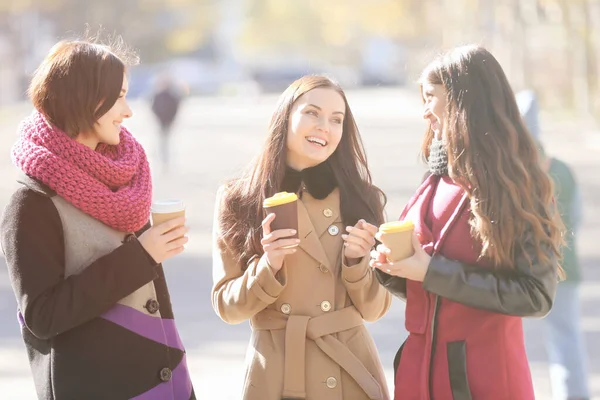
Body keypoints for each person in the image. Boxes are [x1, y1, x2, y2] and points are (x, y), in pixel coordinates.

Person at [0, 38, 195, 399]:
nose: (128, 110)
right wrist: (141, 256)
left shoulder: (122, 178)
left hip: (165, 383)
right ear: (85, 99)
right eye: (118, 96)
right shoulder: (32, 201)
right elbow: (42, 317)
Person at [371, 45, 564, 400]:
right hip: (419, 380)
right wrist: (387, 266)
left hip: (482, 383)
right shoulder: (436, 178)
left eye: (430, 97)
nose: (424, 112)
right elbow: (431, 287)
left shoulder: (515, 186)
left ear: (464, 102)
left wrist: (430, 271)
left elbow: (536, 296)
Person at [211, 75, 391, 400]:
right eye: (312, 113)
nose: (325, 126)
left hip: (348, 372)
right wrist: (270, 264)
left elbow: (376, 309)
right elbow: (227, 307)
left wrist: (356, 263)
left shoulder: (361, 199)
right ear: (285, 117)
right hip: (277, 375)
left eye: (337, 120)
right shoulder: (239, 198)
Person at [518, 91, 591, 400]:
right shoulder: (561, 169)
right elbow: (576, 217)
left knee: (510, 343)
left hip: (524, 271)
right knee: (567, 340)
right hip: (566, 268)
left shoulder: (513, 173)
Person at [150, 75, 182, 169]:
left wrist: (171, 119)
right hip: (161, 121)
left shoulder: (172, 96)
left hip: (168, 121)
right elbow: (154, 108)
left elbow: (175, 108)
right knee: (162, 141)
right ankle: (162, 159)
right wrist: (158, 117)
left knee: (165, 141)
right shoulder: (158, 95)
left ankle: (166, 160)